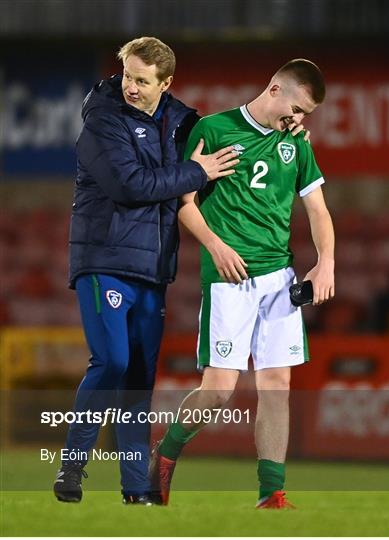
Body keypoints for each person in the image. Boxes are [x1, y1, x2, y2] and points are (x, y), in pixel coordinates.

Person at [53, 36, 239, 505]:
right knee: (112, 360)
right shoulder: (103, 120)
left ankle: (136, 488)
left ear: (166, 83)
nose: (129, 87)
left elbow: (234, 135)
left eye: (141, 80)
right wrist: (196, 173)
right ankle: (72, 467)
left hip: (153, 267)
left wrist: (289, 129)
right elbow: (131, 186)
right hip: (103, 260)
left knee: (138, 377)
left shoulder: (181, 122)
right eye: (126, 75)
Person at [149, 59, 335, 509]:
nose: (299, 121)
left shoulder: (297, 145)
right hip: (230, 276)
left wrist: (326, 261)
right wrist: (215, 245)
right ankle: (163, 456)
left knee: (277, 384)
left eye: (306, 115)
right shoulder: (213, 130)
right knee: (219, 389)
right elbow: (183, 202)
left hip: (279, 278)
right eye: (295, 109)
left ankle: (271, 491)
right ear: (274, 89)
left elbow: (318, 212)